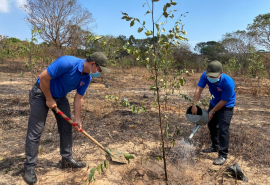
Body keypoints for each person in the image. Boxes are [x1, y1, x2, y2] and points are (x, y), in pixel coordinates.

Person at [24, 52, 110, 184]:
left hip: (60, 97)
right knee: (36, 130)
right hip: (41, 93)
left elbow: (78, 97)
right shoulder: (67, 63)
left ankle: (66, 159)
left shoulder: (87, 78)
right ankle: (29, 167)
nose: (100, 73)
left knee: (67, 128)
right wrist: (48, 98)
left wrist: (77, 119)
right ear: (93, 64)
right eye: (99, 69)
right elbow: (43, 78)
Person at [191, 60, 235, 165]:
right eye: (209, 75)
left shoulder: (228, 83)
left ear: (221, 73)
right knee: (211, 125)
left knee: (223, 129)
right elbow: (198, 90)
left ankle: (223, 155)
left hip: (226, 105)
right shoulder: (205, 75)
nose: (211, 77)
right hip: (214, 101)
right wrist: (194, 104)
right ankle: (215, 146)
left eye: (213, 76)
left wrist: (212, 111)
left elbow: (224, 101)